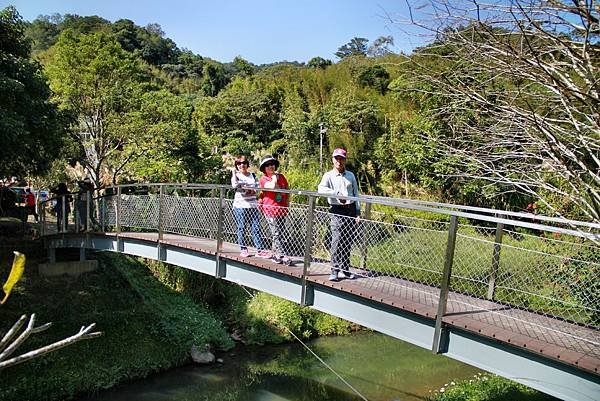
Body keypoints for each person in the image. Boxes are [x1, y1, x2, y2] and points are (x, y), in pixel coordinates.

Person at [318, 148, 361, 281]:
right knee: (336, 240)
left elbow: (356, 194)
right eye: (336, 158)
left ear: (345, 160)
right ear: (333, 160)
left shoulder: (351, 175)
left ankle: (345, 269)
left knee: (347, 241)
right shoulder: (328, 176)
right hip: (336, 210)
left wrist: (358, 212)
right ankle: (335, 270)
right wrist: (336, 194)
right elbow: (321, 189)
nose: (339, 161)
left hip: (350, 210)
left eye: (341, 158)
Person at [231, 155, 268, 258]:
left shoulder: (252, 175)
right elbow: (234, 185)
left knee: (256, 227)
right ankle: (243, 249)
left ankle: (259, 250)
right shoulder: (236, 175)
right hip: (240, 206)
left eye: (243, 163)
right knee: (242, 227)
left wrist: (247, 189)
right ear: (236, 165)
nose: (241, 165)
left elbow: (257, 188)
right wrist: (234, 173)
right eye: (239, 163)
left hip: (252, 205)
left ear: (247, 164)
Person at [258, 155, 291, 265]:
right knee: (276, 233)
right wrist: (275, 178)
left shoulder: (282, 176)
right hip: (270, 210)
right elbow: (272, 186)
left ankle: (274, 254)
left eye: (272, 164)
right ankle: (281, 255)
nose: (270, 166)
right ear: (264, 168)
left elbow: (287, 190)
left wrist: (287, 203)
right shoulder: (263, 179)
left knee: (279, 232)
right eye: (267, 165)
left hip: (281, 209)